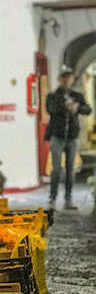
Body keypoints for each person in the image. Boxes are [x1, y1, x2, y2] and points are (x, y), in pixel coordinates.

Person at [46, 66, 91, 210]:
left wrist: (76, 108)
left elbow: (88, 109)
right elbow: (50, 110)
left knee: (71, 169)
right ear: (60, 79)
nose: (66, 80)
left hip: (72, 136)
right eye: (64, 77)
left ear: (72, 79)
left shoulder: (77, 96)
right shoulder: (53, 95)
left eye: (69, 77)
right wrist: (65, 107)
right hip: (57, 135)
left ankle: (68, 199)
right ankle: (52, 199)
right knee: (56, 169)